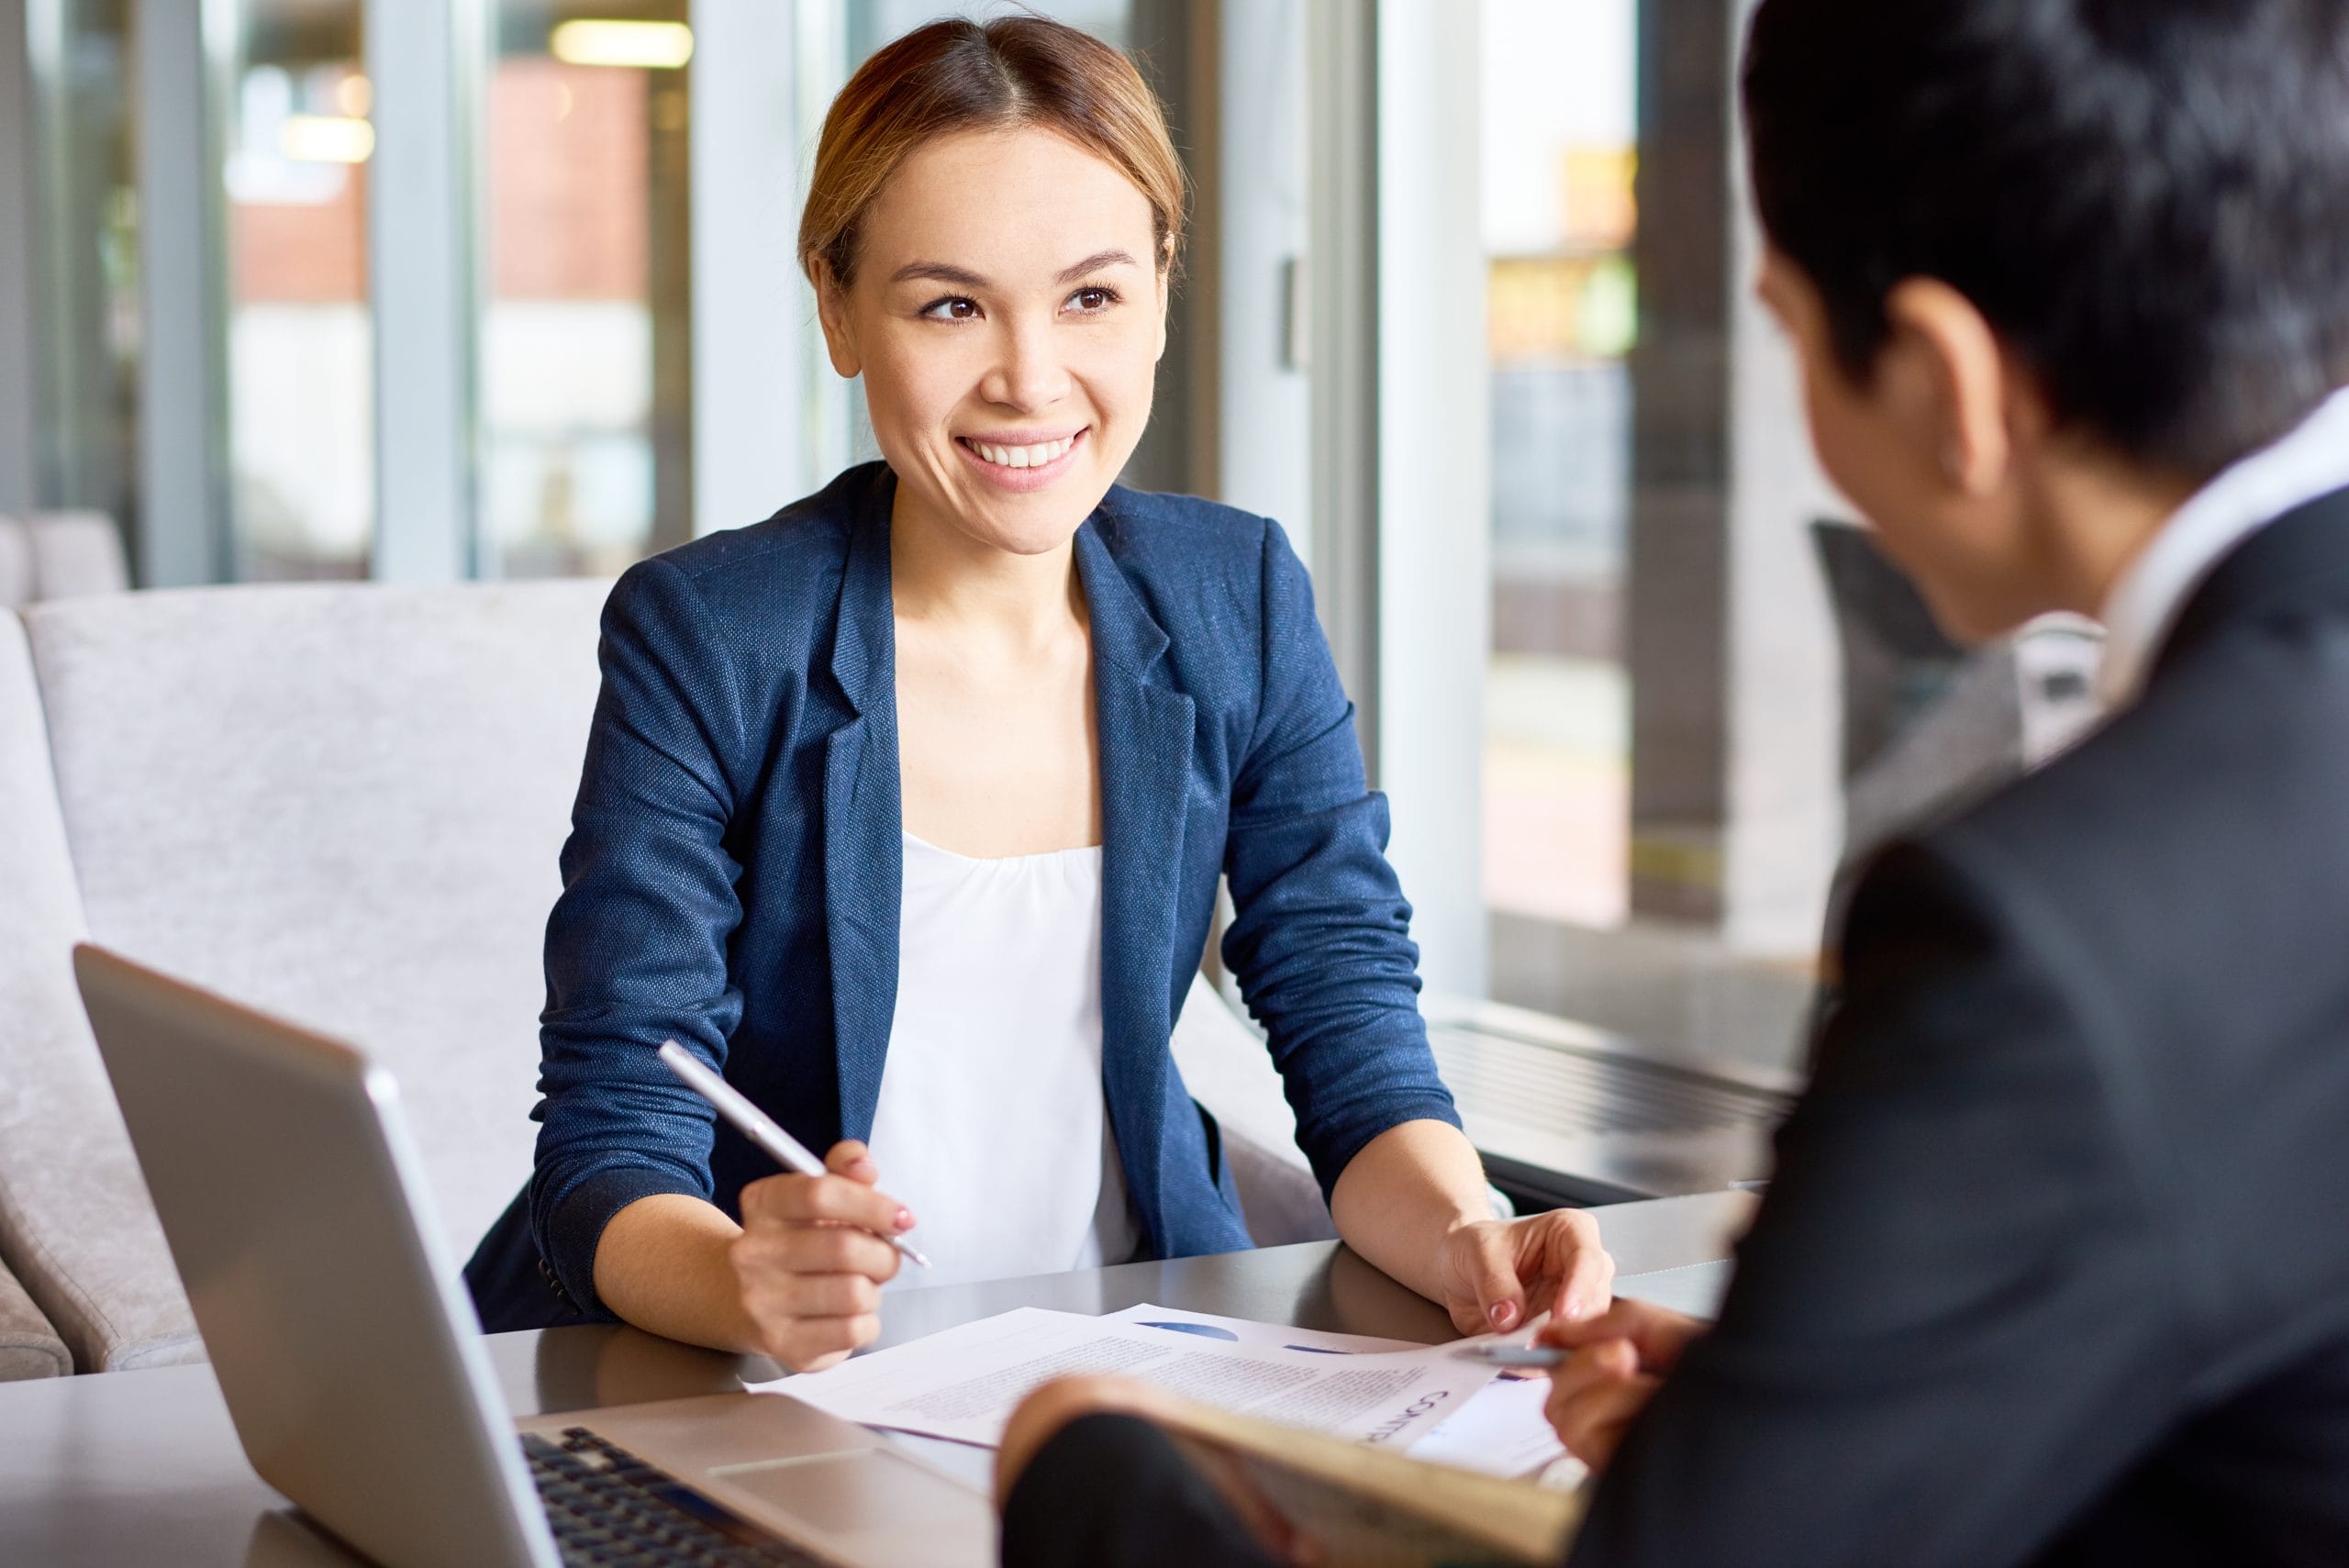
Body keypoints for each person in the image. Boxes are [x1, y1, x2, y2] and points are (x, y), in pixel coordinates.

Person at [991, 0, 2349, 1562]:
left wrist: (1089, 1473)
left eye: (1781, 328)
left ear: (1943, 380)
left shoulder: (2041, 934)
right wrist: (1820, 1411)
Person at [462, 15, 1610, 1373]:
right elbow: (610, 1124)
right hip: (746, 1377)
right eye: (950, 304)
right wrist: (743, 1281)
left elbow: (1345, 1012)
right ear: (837, 309)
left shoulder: (1235, 592)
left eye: (1091, 296)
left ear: (1163, 289)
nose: (1028, 378)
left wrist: (1467, 1230)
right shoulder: (711, 633)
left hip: (1125, 1346)